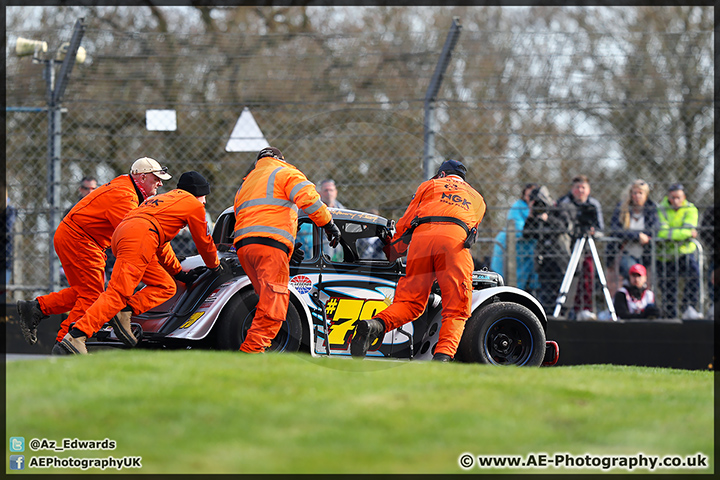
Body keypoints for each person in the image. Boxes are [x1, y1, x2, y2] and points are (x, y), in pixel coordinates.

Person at [55, 171, 226, 355]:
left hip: (126, 233)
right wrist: (215, 265)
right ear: (198, 193)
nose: (205, 202)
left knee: (166, 285)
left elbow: (161, 244)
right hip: (139, 238)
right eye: (204, 196)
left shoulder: (164, 200)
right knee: (118, 293)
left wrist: (178, 273)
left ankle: (126, 311)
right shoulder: (193, 205)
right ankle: (77, 335)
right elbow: (204, 241)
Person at [17, 157, 171, 347]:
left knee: (85, 292)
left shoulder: (126, 187)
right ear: (141, 177)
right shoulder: (125, 196)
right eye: (156, 178)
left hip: (74, 237)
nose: (160, 182)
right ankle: (65, 343)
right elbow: (134, 239)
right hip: (81, 241)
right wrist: (167, 265)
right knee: (92, 296)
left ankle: (37, 308)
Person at [350, 159, 486, 362]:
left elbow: (406, 222)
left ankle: (375, 325)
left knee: (411, 303)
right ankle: (442, 357)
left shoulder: (429, 185)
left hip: (422, 242)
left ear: (441, 174)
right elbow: (470, 234)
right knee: (456, 307)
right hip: (453, 243)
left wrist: (393, 251)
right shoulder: (478, 198)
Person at [233, 147, 341, 354]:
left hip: (244, 248)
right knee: (275, 305)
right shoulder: (285, 171)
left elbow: (243, 214)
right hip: (270, 246)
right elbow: (309, 199)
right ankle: (251, 351)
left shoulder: (246, 184)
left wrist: (288, 248)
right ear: (280, 158)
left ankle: (251, 345)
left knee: (265, 300)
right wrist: (328, 224)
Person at [557, 174, 604, 319]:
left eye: (583, 187)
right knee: (570, 277)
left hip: (587, 246)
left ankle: (586, 309)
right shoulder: (563, 203)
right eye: (577, 187)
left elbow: (600, 228)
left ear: (588, 190)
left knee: (588, 275)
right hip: (569, 248)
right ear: (572, 189)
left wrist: (592, 232)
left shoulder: (594, 205)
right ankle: (564, 309)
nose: (580, 191)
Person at [522, 185, 572, 315]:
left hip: (560, 257)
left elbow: (564, 227)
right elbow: (526, 233)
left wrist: (546, 218)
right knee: (546, 291)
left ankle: (564, 315)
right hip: (544, 258)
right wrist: (531, 214)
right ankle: (548, 315)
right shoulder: (535, 215)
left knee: (562, 290)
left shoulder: (558, 209)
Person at [656, 183, 700, 319]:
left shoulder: (690, 209)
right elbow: (661, 232)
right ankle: (670, 315)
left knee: (694, 275)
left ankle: (689, 307)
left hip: (684, 252)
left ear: (684, 197)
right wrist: (683, 234)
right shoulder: (660, 209)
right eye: (672, 197)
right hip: (665, 255)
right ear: (668, 196)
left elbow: (687, 228)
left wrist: (670, 235)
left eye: (678, 198)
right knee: (669, 287)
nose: (675, 201)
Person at [490, 183, 539, 291]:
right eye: (529, 195)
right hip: (512, 248)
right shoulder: (518, 207)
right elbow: (518, 229)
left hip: (528, 252)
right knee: (508, 281)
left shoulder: (541, 207)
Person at [607, 179, 659, 280]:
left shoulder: (651, 209)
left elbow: (655, 229)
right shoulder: (622, 209)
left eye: (640, 193)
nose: (637, 196)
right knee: (634, 274)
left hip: (645, 254)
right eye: (635, 193)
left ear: (646, 195)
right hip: (626, 252)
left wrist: (645, 237)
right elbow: (616, 230)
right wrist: (637, 236)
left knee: (642, 281)